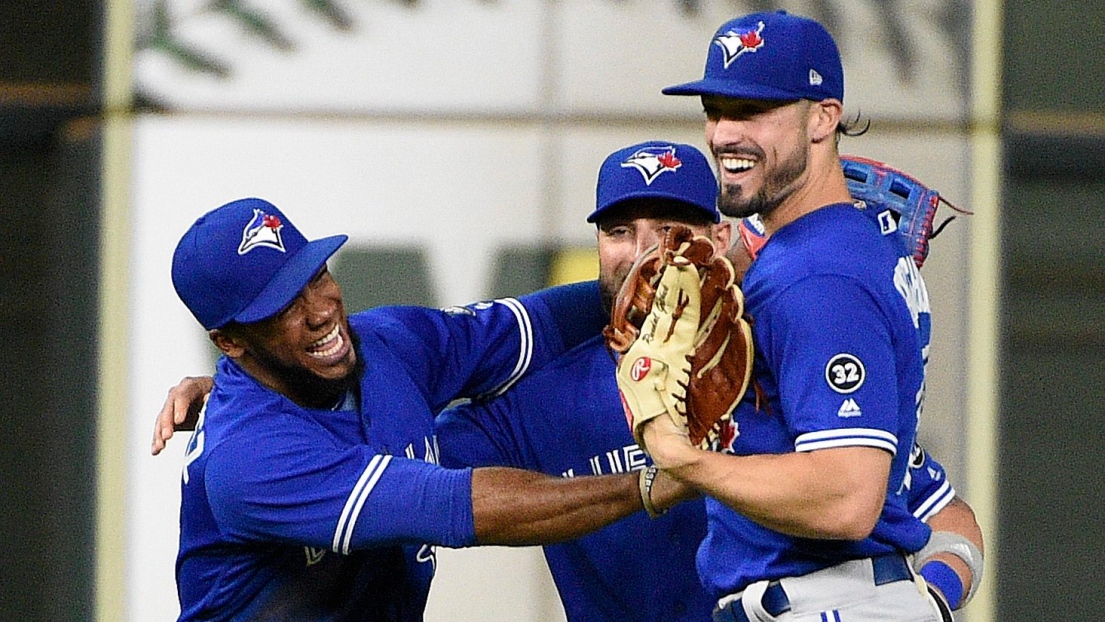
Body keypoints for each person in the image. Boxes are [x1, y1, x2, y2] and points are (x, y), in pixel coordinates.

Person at [155, 142, 981, 622]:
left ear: (722, 238)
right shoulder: (539, 409)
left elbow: (947, 515)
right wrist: (667, 478)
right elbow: (455, 499)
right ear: (233, 342)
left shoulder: (786, 373)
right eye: (620, 231)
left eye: (674, 229)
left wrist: (934, 599)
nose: (648, 247)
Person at [164, 196, 673, 621]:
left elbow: (538, 322)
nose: (320, 310)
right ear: (231, 342)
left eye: (316, 276)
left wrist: (671, 284)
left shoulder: (387, 345)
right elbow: (454, 507)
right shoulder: (248, 460)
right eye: (284, 306)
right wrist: (655, 483)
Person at [631, 10, 981, 622]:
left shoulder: (817, 277)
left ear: (824, 117)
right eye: (715, 111)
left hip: (825, 602)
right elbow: (946, 514)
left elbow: (848, 499)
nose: (721, 134)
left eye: (753, 112)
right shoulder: (824, 256)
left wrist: (688, 463)